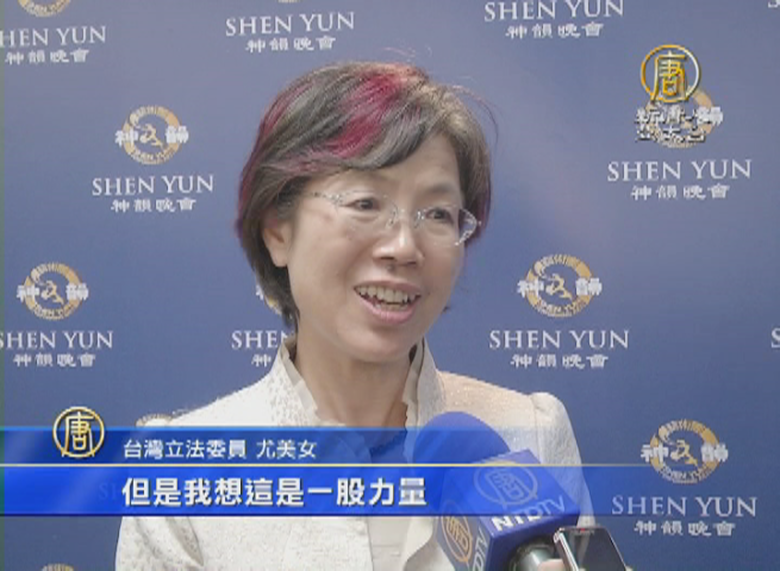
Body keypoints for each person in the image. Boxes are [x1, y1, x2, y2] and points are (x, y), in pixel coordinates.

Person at [116, 61, 590, 571]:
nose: (403, 247)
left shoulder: (529, 432)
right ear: (278, 231)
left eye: (437, 214)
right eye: (365, 203)